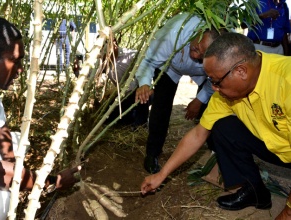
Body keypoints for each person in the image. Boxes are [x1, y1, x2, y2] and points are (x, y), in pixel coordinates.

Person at [140, 32, 291, 219]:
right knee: (221, 127)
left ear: (241, 71)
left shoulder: (286, 79)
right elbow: (198, 135)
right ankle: (255, 192)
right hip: (276, 145)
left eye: (216, 81)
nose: (214, 88)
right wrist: (161, 175)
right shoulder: (224, 95)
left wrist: (287, 211)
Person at [0, 14, 80, 220]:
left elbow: (2, 138)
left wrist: (16, 179)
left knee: (17, 142)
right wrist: (50, 181)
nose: (20, 70)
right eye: (15, 61)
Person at [135, 12, 222, 173]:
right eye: (196, 48)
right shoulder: (172, 33)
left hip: (202, 73)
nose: (195, 55)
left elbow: (216, 80)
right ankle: (152, 153)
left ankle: (216, 154)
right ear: (197, 33)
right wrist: (145, 83)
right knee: (161, 106)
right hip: (169, 67)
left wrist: (199, 100)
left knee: (211, 107)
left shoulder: (221, 49)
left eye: (201, 56)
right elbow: (148, 60)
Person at [105, 38, 149, 128]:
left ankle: (141, 124)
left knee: (142, 94)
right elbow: (89, 74)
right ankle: (130, 117)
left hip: (137, 93)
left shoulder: (132, 55)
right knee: (109, 120)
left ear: (114, 44)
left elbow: (139, 80)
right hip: (121, 96)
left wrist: (117, 90)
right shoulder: (103, 61)